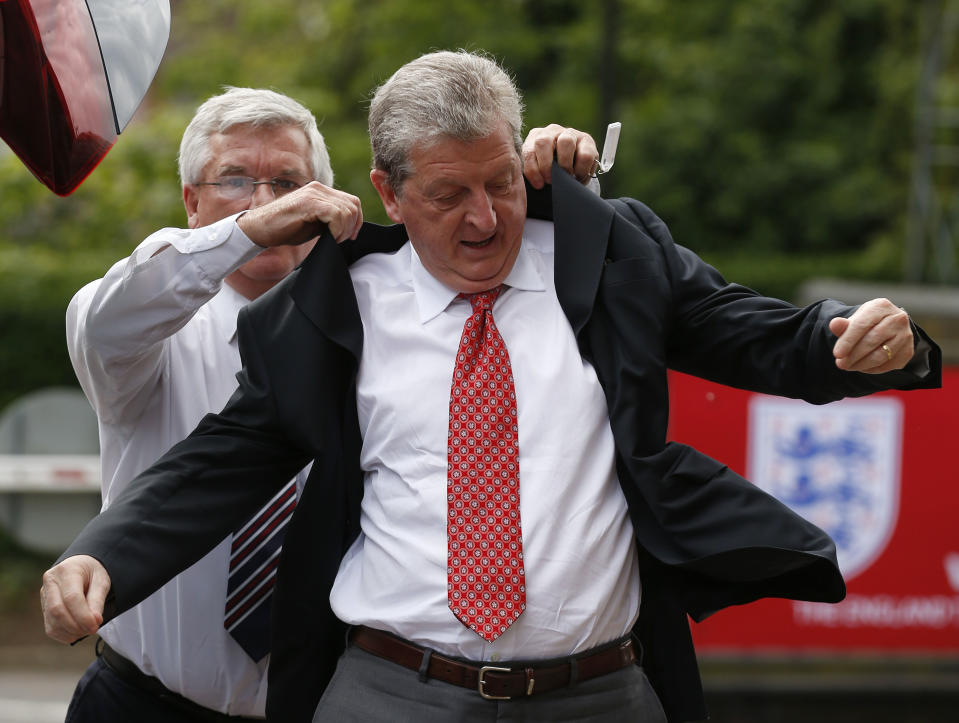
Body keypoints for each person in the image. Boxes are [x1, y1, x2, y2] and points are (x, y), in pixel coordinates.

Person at [42, 52, 941, 723]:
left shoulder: (608, 253)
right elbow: (225, 457)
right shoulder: (330, 307)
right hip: (391, 689)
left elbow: (756, 336)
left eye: (501, 182)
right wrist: (106, 555)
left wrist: (854, 346)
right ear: (388, 194)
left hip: (601, 690)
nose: (483, 218)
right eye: (447, 195)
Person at [55, 84, 600, 722]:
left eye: (289, 182)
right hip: (144, 703)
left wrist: (560, 190)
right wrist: (245, 233)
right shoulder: (147, 334)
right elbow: (109, 320)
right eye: (234, 181)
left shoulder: (382, 323)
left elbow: (503, 267)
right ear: (190, 202)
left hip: (327, 700)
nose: (265, 202)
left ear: (329, 199)